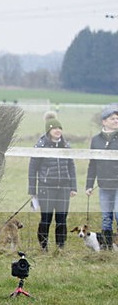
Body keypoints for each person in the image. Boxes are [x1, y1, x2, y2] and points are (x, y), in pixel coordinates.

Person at [28, 113, 77, 252]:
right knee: (46, 219)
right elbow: (32, 169)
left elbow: (71, 166)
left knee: (62, 219)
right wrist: (32, 191)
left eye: (59, 128)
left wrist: (73, 187)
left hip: (64, 188)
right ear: (48, 130)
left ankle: (60, 247)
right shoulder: (41, 146)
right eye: (54, 128)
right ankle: (44, 246)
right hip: (46, 188)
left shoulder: (66, 146)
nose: (58, 131)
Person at [85, 103, 118, 250]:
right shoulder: (96, 140)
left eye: (117, 119)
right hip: (104, 185)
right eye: (112, 118)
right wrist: (89, 185)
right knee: (106, 218)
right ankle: (107, 248)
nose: (116, 121)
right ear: (104, 121)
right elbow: (92, 164)